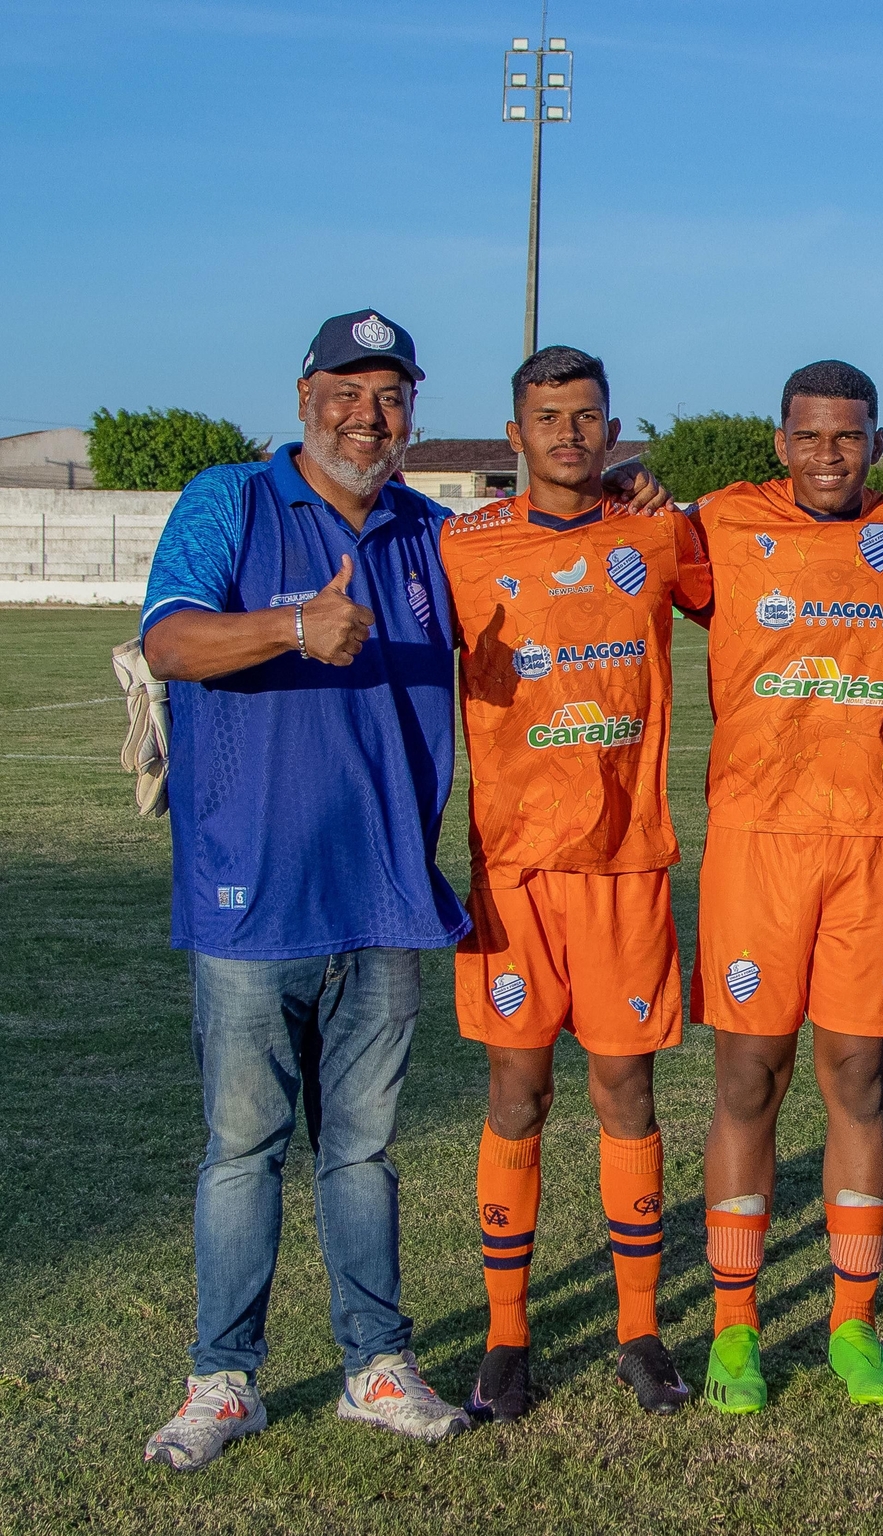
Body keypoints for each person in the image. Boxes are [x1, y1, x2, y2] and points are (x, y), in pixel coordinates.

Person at [139, 310, 473, 1471]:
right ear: (303, 398)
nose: (367, 417)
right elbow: (170, 643)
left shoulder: (431, 532)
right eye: (347, 392)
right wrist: (293, 625)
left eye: (390, 396)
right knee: (244, 1150)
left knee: (363, 1154)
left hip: (383, 896)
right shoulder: (228, 500)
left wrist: (626, 498)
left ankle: (376, 1367)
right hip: (252, 898)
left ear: (412, 412)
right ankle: (222, 1381)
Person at [440, 346, 712, 1423]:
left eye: (586, 416)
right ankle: (506, 1337)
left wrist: (665, 496)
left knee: (624, 1095)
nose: (568, 434)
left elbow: (753, 600)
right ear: (515, 435)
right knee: (518, 1095)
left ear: (613, 428)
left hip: (624, 865)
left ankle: (639, 1331)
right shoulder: (461, 546)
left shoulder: (657, 532)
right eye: (548, 417)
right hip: (511, 872)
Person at [685, 360, 883, 1413]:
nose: (829, 455)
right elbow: (621, 548)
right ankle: (734, 1330)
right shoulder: (719, 524)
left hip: (870, 837)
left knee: (859, 1079)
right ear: (779, 442)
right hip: (756, 839)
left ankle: (852, 1323)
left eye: (849, 436)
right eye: (810, 435)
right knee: (749, 1079)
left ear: (877, 444)